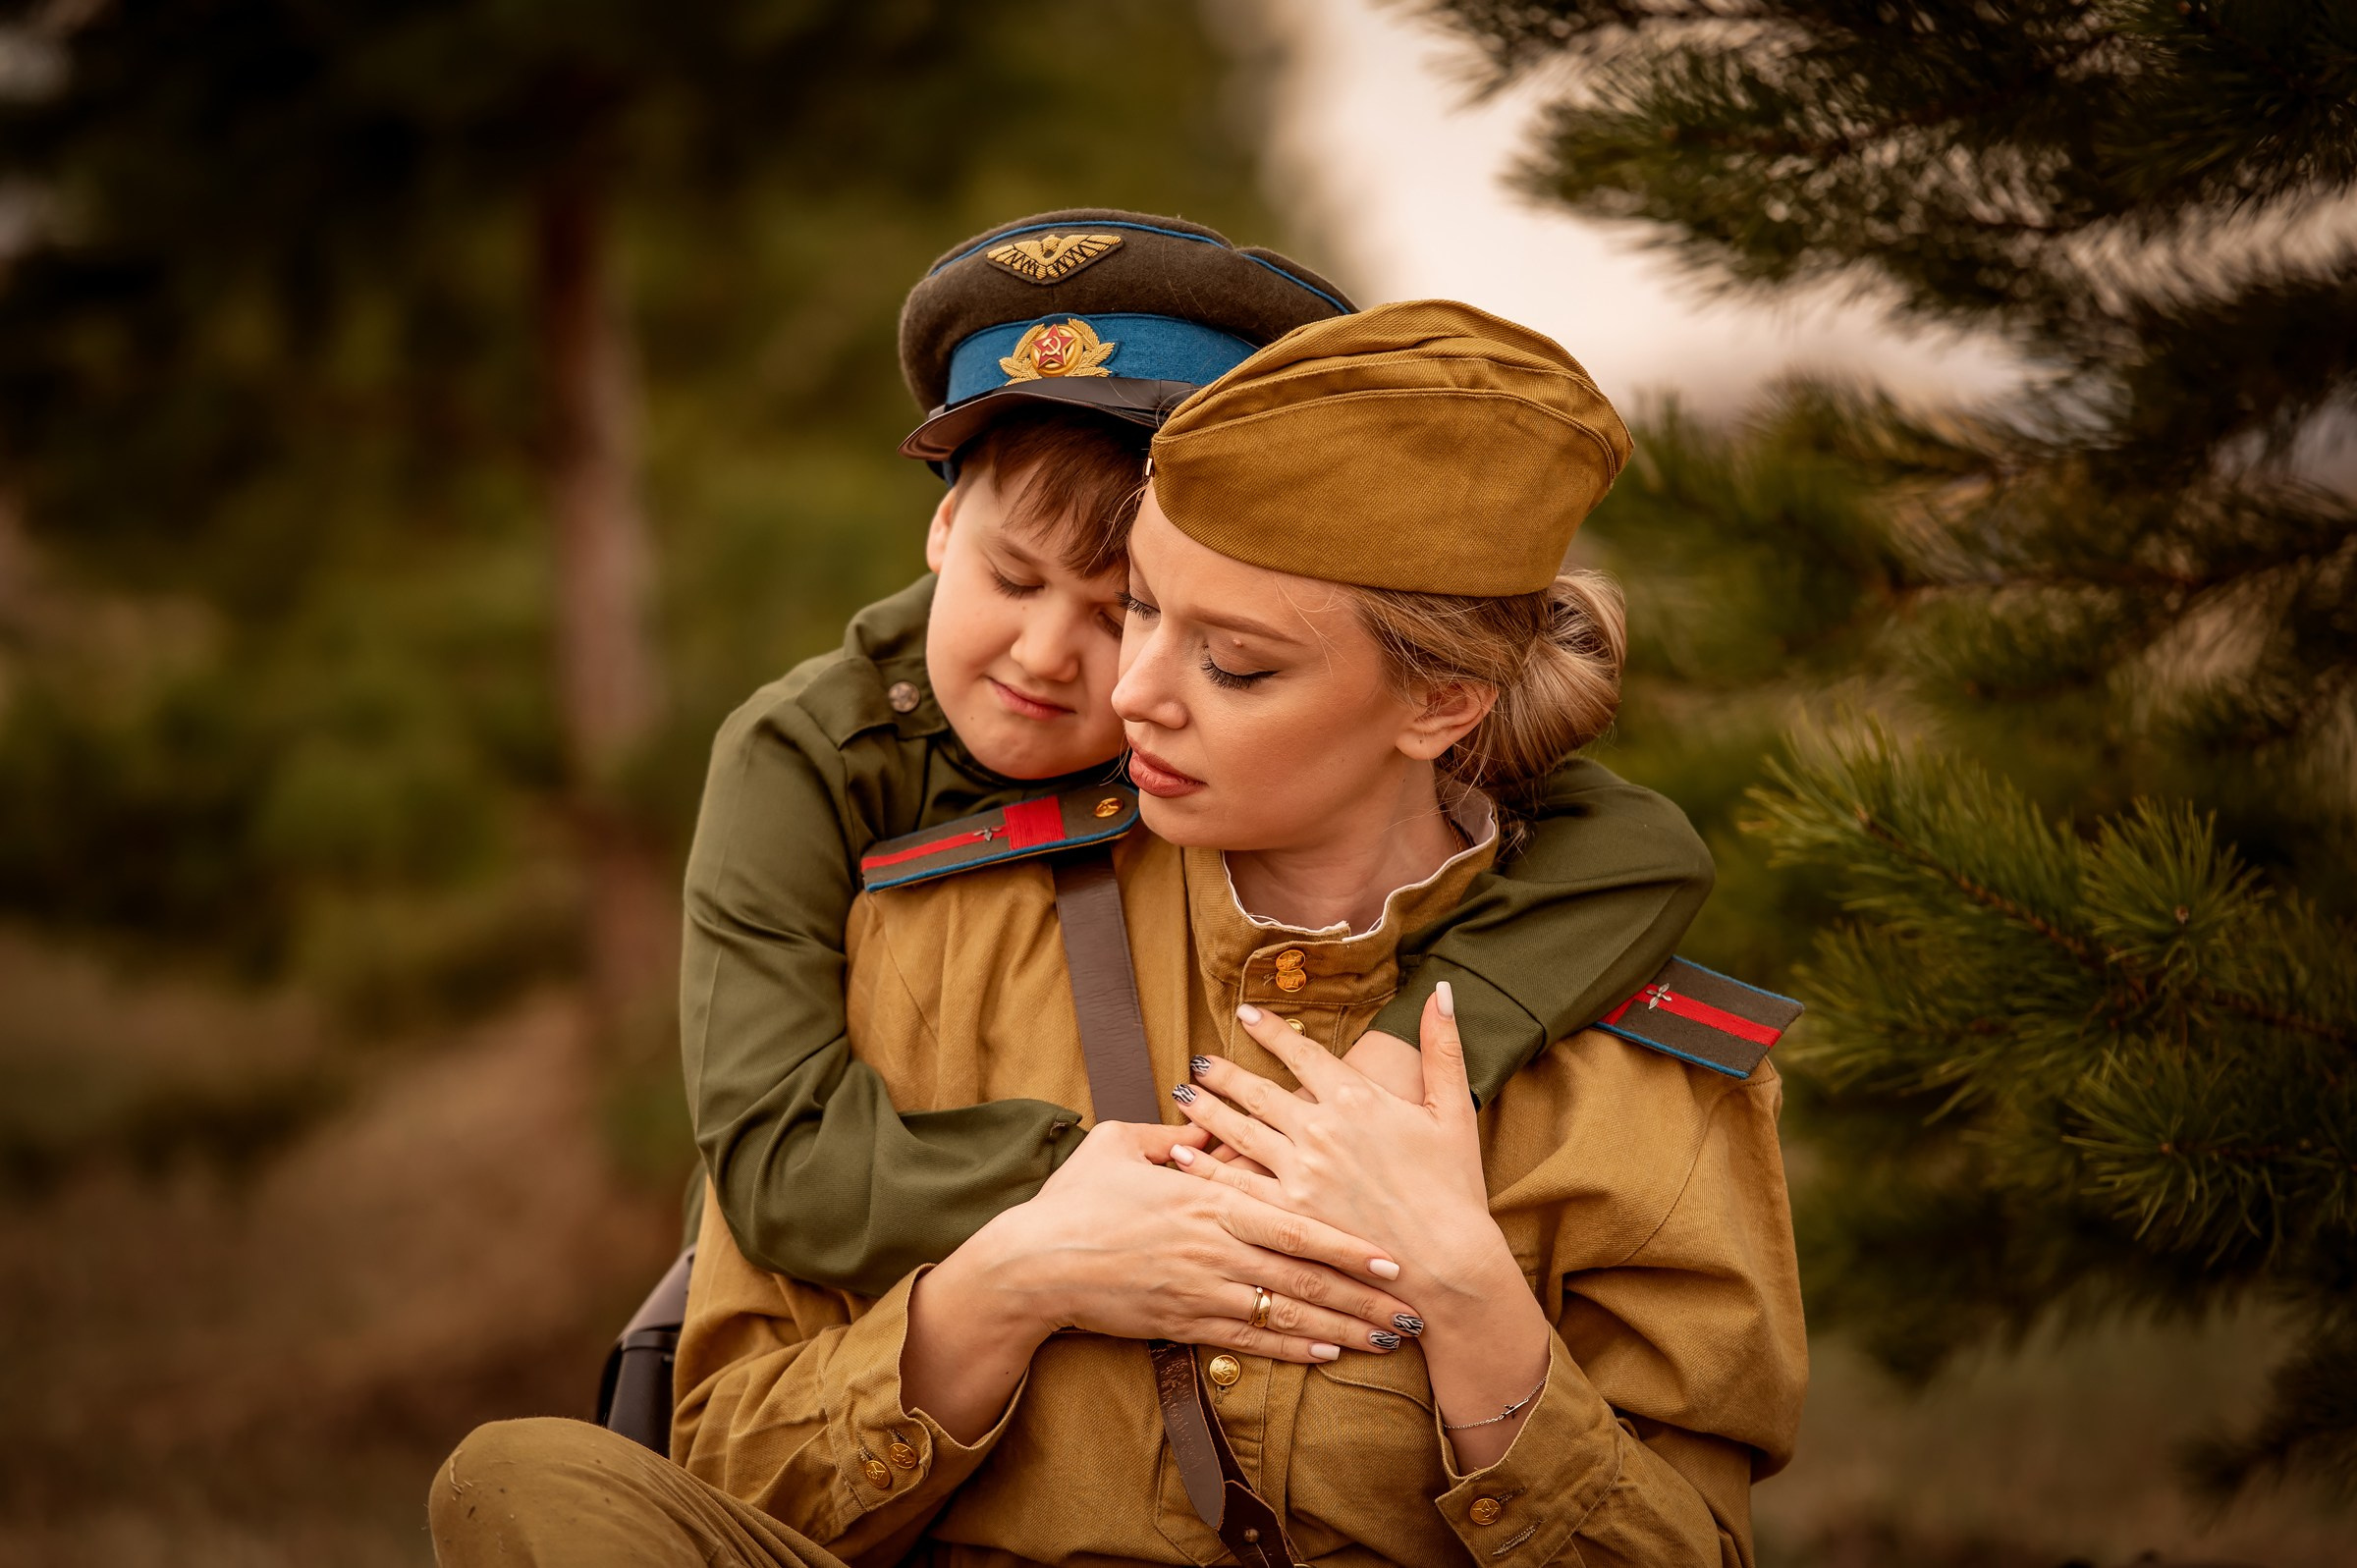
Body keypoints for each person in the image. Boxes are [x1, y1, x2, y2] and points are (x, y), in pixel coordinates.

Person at [432, 300, 1807, 1567]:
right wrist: (1005, 1280)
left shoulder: (1641, 1068)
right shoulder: (932, 934)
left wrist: (1466, 1296)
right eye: (1143, 605)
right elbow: (719, 1463)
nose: (1125, 688)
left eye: (1235, 661)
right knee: (524, 1487)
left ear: (1441, 704)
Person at [685, 210, 1716, 1295]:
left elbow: (1637, 847)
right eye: (1013, 579)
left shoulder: (1247, 699)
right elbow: (782, 1164)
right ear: (942, 527)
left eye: (1121, 606)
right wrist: (1142, 1180)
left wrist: (1403, 1055)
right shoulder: (804, 751)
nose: (1052, 660)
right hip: (847, 1297)